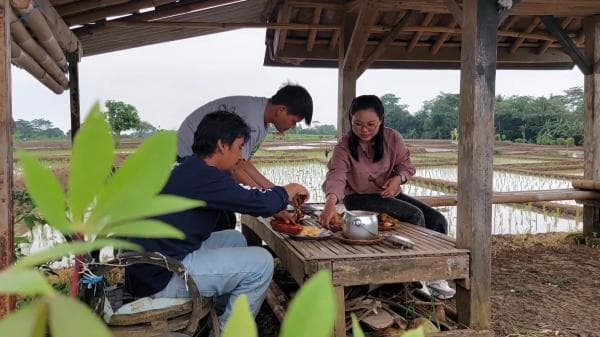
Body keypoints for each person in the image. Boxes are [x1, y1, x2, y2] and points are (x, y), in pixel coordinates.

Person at [125, 111, 309, 329]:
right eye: (240, 147)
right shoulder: (206, 177)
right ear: (223, 145)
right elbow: (259, 202)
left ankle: (218, 315)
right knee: (262, 263)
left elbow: (247, 198)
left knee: (234, 239)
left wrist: (273, 204)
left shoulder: (192, 167)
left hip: (147, 266)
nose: (241, 156)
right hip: (160, 278)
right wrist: (290, 190)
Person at [319, 95, 454, 300]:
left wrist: (397, 179)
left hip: (386, 194)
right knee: (414, 215)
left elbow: (406, 166)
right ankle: (414, 278)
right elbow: (336, 176)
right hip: (358, 197)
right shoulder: (344, 146)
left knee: (438, 220)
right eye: (358, 124)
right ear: (351, 122)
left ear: (381, 120)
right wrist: (330, 203)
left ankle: (436, 275)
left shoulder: (393, 139)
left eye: (371, 124)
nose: (364, 130)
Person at [177, 84, 313, 227]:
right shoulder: (252, 121)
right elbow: (235, 169)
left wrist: (277, 195)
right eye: (293, 121)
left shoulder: (261, 119)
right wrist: (274, 202)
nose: (292, 127)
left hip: (200, 159)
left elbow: (244, 164)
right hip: (190, 154)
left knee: (227, 219)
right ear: (282, 110)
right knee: (221, 222)